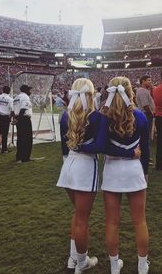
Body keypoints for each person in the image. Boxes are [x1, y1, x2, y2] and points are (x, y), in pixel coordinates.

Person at [101, 76, 150, 274]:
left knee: (112, 221)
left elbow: (102, 147)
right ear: (130, 92)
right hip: (134, 170)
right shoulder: (141, 116)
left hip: (112, 171)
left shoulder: (103, 117)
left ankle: (114, 267)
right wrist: (145, 173)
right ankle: (142, 266)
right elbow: (145, 149)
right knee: (140, 221)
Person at [57, 78, 106, 274]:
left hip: (68, 165)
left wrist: (73, 148)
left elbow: (64, 147)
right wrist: (80, 146)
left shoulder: (64, 116)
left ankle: (73, 258)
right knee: (82, 219)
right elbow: (100, 146)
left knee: (78, 215)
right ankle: (82, 262)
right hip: (85, 167)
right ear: (91, 94)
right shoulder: (97, 117)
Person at [136, 75, 155, 165]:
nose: (150, 82)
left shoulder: (144, 90)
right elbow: (145, 105)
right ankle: (144, 157)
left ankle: (145, 156)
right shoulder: (142, 91)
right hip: (146, 115)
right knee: (145, 138)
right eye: (148, 80)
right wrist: (152, 114)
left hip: (145, 114)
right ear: (143, 81)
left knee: (145, 138)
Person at [13, 84, 33, 163]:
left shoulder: (16, 97)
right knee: (27, 139)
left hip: (19, 119)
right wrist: (19, 119)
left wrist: (16, 119)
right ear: (26, 90)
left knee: (20, 138)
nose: (30, 92)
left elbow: (14, 110)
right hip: (24, 119)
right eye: (29, 90)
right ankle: (25, 158)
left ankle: (19, 157)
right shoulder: (25, 97)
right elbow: (23, 109)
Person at [0, 86, 14, 153]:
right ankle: (4, 149)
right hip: (5, 117)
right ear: (9, 91)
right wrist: (10, 118)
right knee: (5, 133)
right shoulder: (10, 99)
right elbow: (12, 110)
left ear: (2, 90)